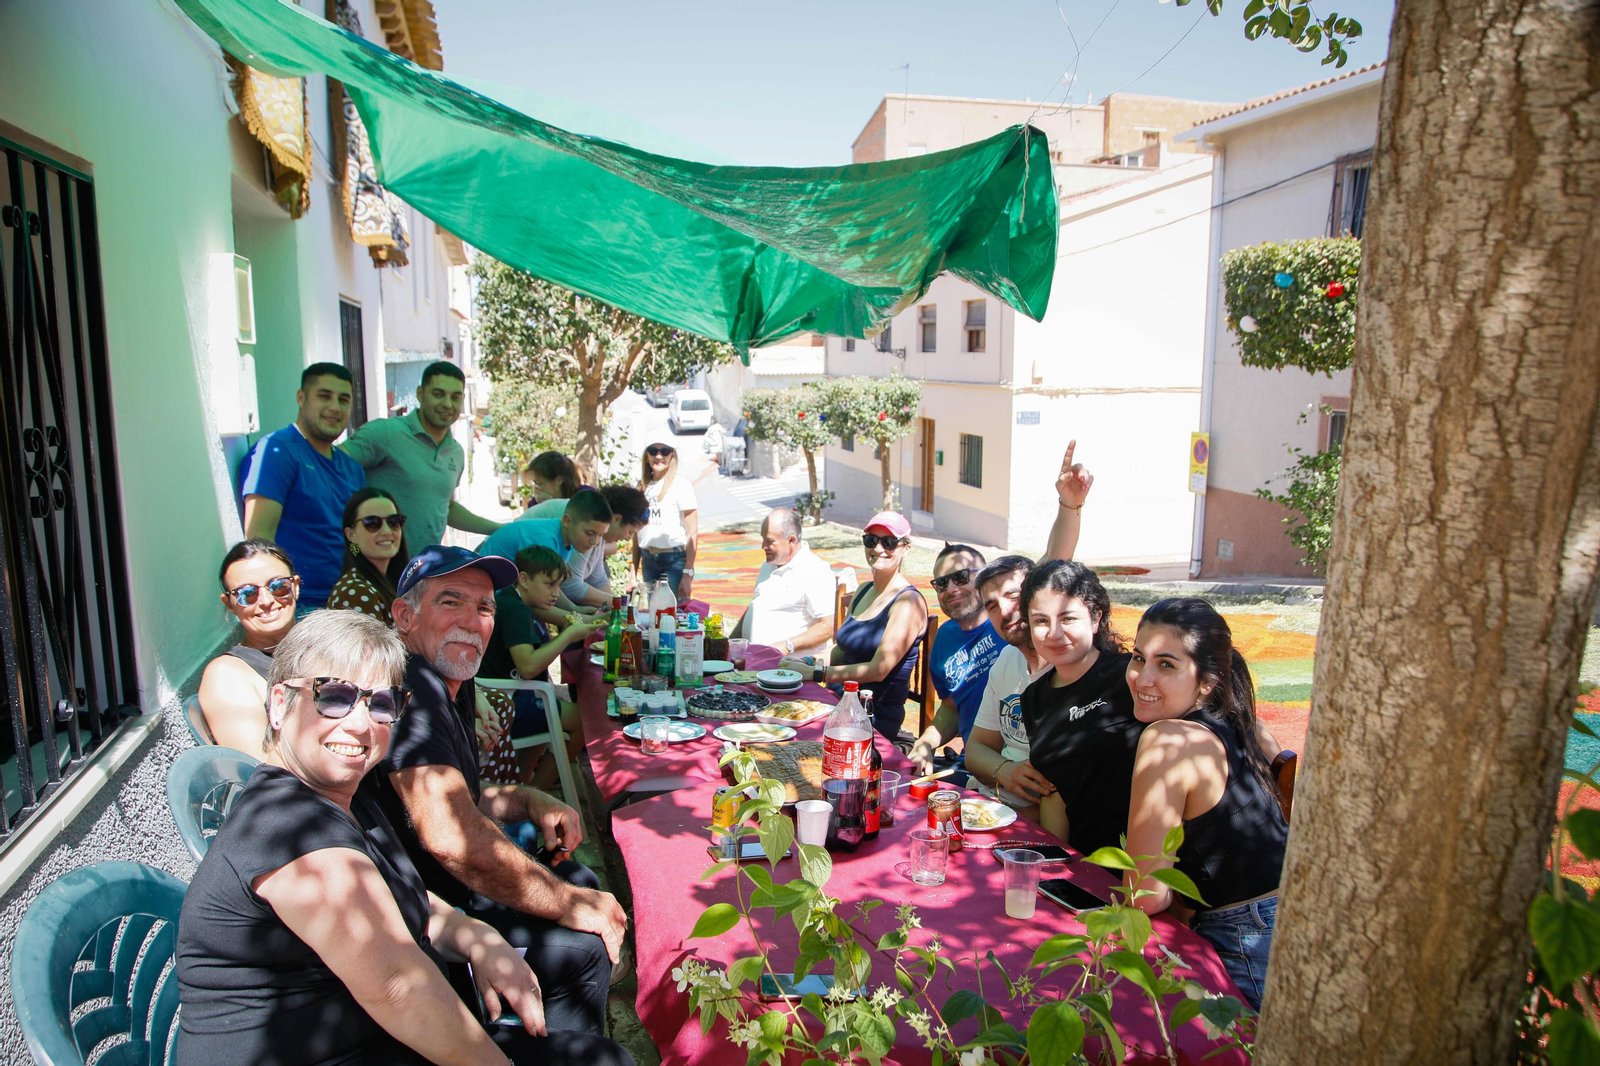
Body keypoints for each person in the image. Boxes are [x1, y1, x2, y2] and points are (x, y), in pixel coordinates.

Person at [175, 610, 633, 1066]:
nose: (360, 724)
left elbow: (400, 895)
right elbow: (397, 986)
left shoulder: (343, 797)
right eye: (334, 696)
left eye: (381, 703)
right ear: (279, 704)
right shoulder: (290, 828)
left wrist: (477, 936)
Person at [363, 545, 628, 1038]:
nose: (472, 621)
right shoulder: (411, 691)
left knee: (577, 875)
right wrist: (567, 904)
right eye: (451, 602)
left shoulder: (448, 676)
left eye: (484, 607)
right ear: (404, 616)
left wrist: (529, 798)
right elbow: (452, 838)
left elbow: (458, 796)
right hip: (422, 919)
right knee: (583, 944)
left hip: (446, 891)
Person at [1122, 598, 1288, 1010]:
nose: (1143, 678)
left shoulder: (1168, 740)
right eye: (1138, 658)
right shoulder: (1240, 718)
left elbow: (1144, 894)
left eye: (1166, 664)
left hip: (1245, 938)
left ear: (1208, 681)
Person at [963, 441, 1095, 828]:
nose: (1004, 610)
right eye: (991, 605)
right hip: (984, 805)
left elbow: (1056, 560)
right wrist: (1003, 770)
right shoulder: (1006, 661)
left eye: (1012, 596)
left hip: (1033, 825)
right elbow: (975, 750)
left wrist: (1069, 506)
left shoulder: (1067, 663)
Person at [780, 511, 928, 742]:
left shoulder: (908, 603)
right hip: (837, 702)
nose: (878, 548)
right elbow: (841, 649)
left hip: (870, 717)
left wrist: (816, 673)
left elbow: (878, 669)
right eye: (871, 540)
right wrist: (807, 661)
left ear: (905, 548)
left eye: (889, 542)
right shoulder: (863, 590)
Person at [239, 363, 366, 608]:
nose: (334, 407)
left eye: (343, 400)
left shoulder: (353, 469)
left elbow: (356, 543)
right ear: (301, 398)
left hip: (347, 600)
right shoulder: (277, 452)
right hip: (299, 604)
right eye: (324, 396)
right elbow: (258, 538)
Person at [340, 361, 502, 551]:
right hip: (376, 563)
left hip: (423, 566)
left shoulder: (455, 452)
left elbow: (446, 508)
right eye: (438, 394)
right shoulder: (384, 433)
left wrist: (498, 529)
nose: (447, 404)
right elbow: (328, 467)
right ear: (420, 394)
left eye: (455, 397)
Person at [480, 545, 605, 785]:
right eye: (549, 584)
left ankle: (525, 786)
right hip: (503, 705)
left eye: (558, 585)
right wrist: (567, 636)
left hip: (503, 697)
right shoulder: (516, 611)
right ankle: (538, 793)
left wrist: (587, 622)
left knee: (549, 710)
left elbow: (567, 617)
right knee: (582, 721)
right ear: (524, 580)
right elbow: (527, 667)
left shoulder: (512, 599)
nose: (555, 593)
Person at [905, 543, 1003, 779]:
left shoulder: (1008, 624)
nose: (951, 589)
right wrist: (925, 743)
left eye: (960, 577)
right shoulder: (944, 638)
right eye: (941, 583)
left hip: (1016, 764)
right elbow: (952, 707)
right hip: (974, 764)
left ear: (985, 578)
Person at [197, 539, 300, 753]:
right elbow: (260, 763)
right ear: (230, 604)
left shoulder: (324, 645)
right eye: (247, 594)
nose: (266, 601)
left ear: (295, 587)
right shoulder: (226, 675)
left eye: (278, 586)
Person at [479, 489, 616, 620]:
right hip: (489, 600)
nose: (594, 542)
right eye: (589, 533)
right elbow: (536, 603)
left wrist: (574, 609)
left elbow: (550, 585)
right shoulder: (545, 540)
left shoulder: (567, 540)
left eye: (600, 535)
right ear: (567, 521)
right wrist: (585, 620)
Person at [520, 485, 650, 609]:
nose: (628, 538)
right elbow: (571, 586)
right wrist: (617, 604)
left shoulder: (596, 531)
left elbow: (597, 578)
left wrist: (617, 608)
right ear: (616, 519)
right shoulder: (587, 526)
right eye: (630, 532)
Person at [732, 508, 837, 657]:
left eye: (770, 541)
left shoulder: (814, 570)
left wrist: (788, 645)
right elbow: (756, 606)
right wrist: (732, 642)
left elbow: (829, 625)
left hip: (789, 667)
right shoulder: (769, 564)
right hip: (755, 660)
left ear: (791, 540)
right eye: (763, 539)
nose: (763, 546)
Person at [327, 487, 411, 625]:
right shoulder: (355, 592)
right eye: (372, 523)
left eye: (393, 521)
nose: (386, 531)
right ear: (351, 535)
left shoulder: (397, 581)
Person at [633, 442, 698, 600]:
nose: (658, 456)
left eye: (664, 451)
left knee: (671, 610)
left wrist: (687, 573)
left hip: (674, 560)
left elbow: (692, 533)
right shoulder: (641, 487)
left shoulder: (682, 486)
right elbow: (636, 532)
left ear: (672, 455)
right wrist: (633, 572)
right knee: (653, 611)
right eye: (653, 451)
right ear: (647, 455)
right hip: (648, 558)